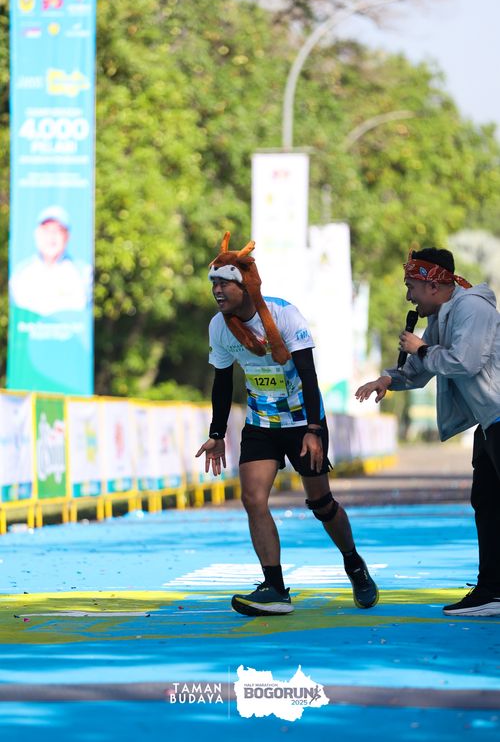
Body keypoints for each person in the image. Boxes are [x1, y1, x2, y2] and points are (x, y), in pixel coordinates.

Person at [196, 232, 378, 617]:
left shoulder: (284, 315)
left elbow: (309, 376)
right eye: (213, 284)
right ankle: (275, 588)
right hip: (261, 423)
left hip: (301, 421)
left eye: (224, 283)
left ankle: (354, 563)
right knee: (252, 499)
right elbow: (223, 382)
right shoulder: (219, 326)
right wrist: (216, 434)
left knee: (321, 503)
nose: (217, 290)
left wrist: (314, 430)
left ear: (245, 284)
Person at [355, 248, 500, 617]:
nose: (409, 297)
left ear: (433, 285)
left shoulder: (472, 308)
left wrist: (421, 348)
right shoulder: (443, 315)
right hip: (489, 422)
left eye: (411, 287)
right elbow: (422, 369)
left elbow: (464, 362)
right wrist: (388, 379)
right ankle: (492, 590)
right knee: (487, 502)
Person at [9, 206, 91, 316]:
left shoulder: (84, 272)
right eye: (46, 231)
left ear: (67, 236)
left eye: (57, 231)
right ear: (37, 234)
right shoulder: (20, 272)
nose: (51, 237)